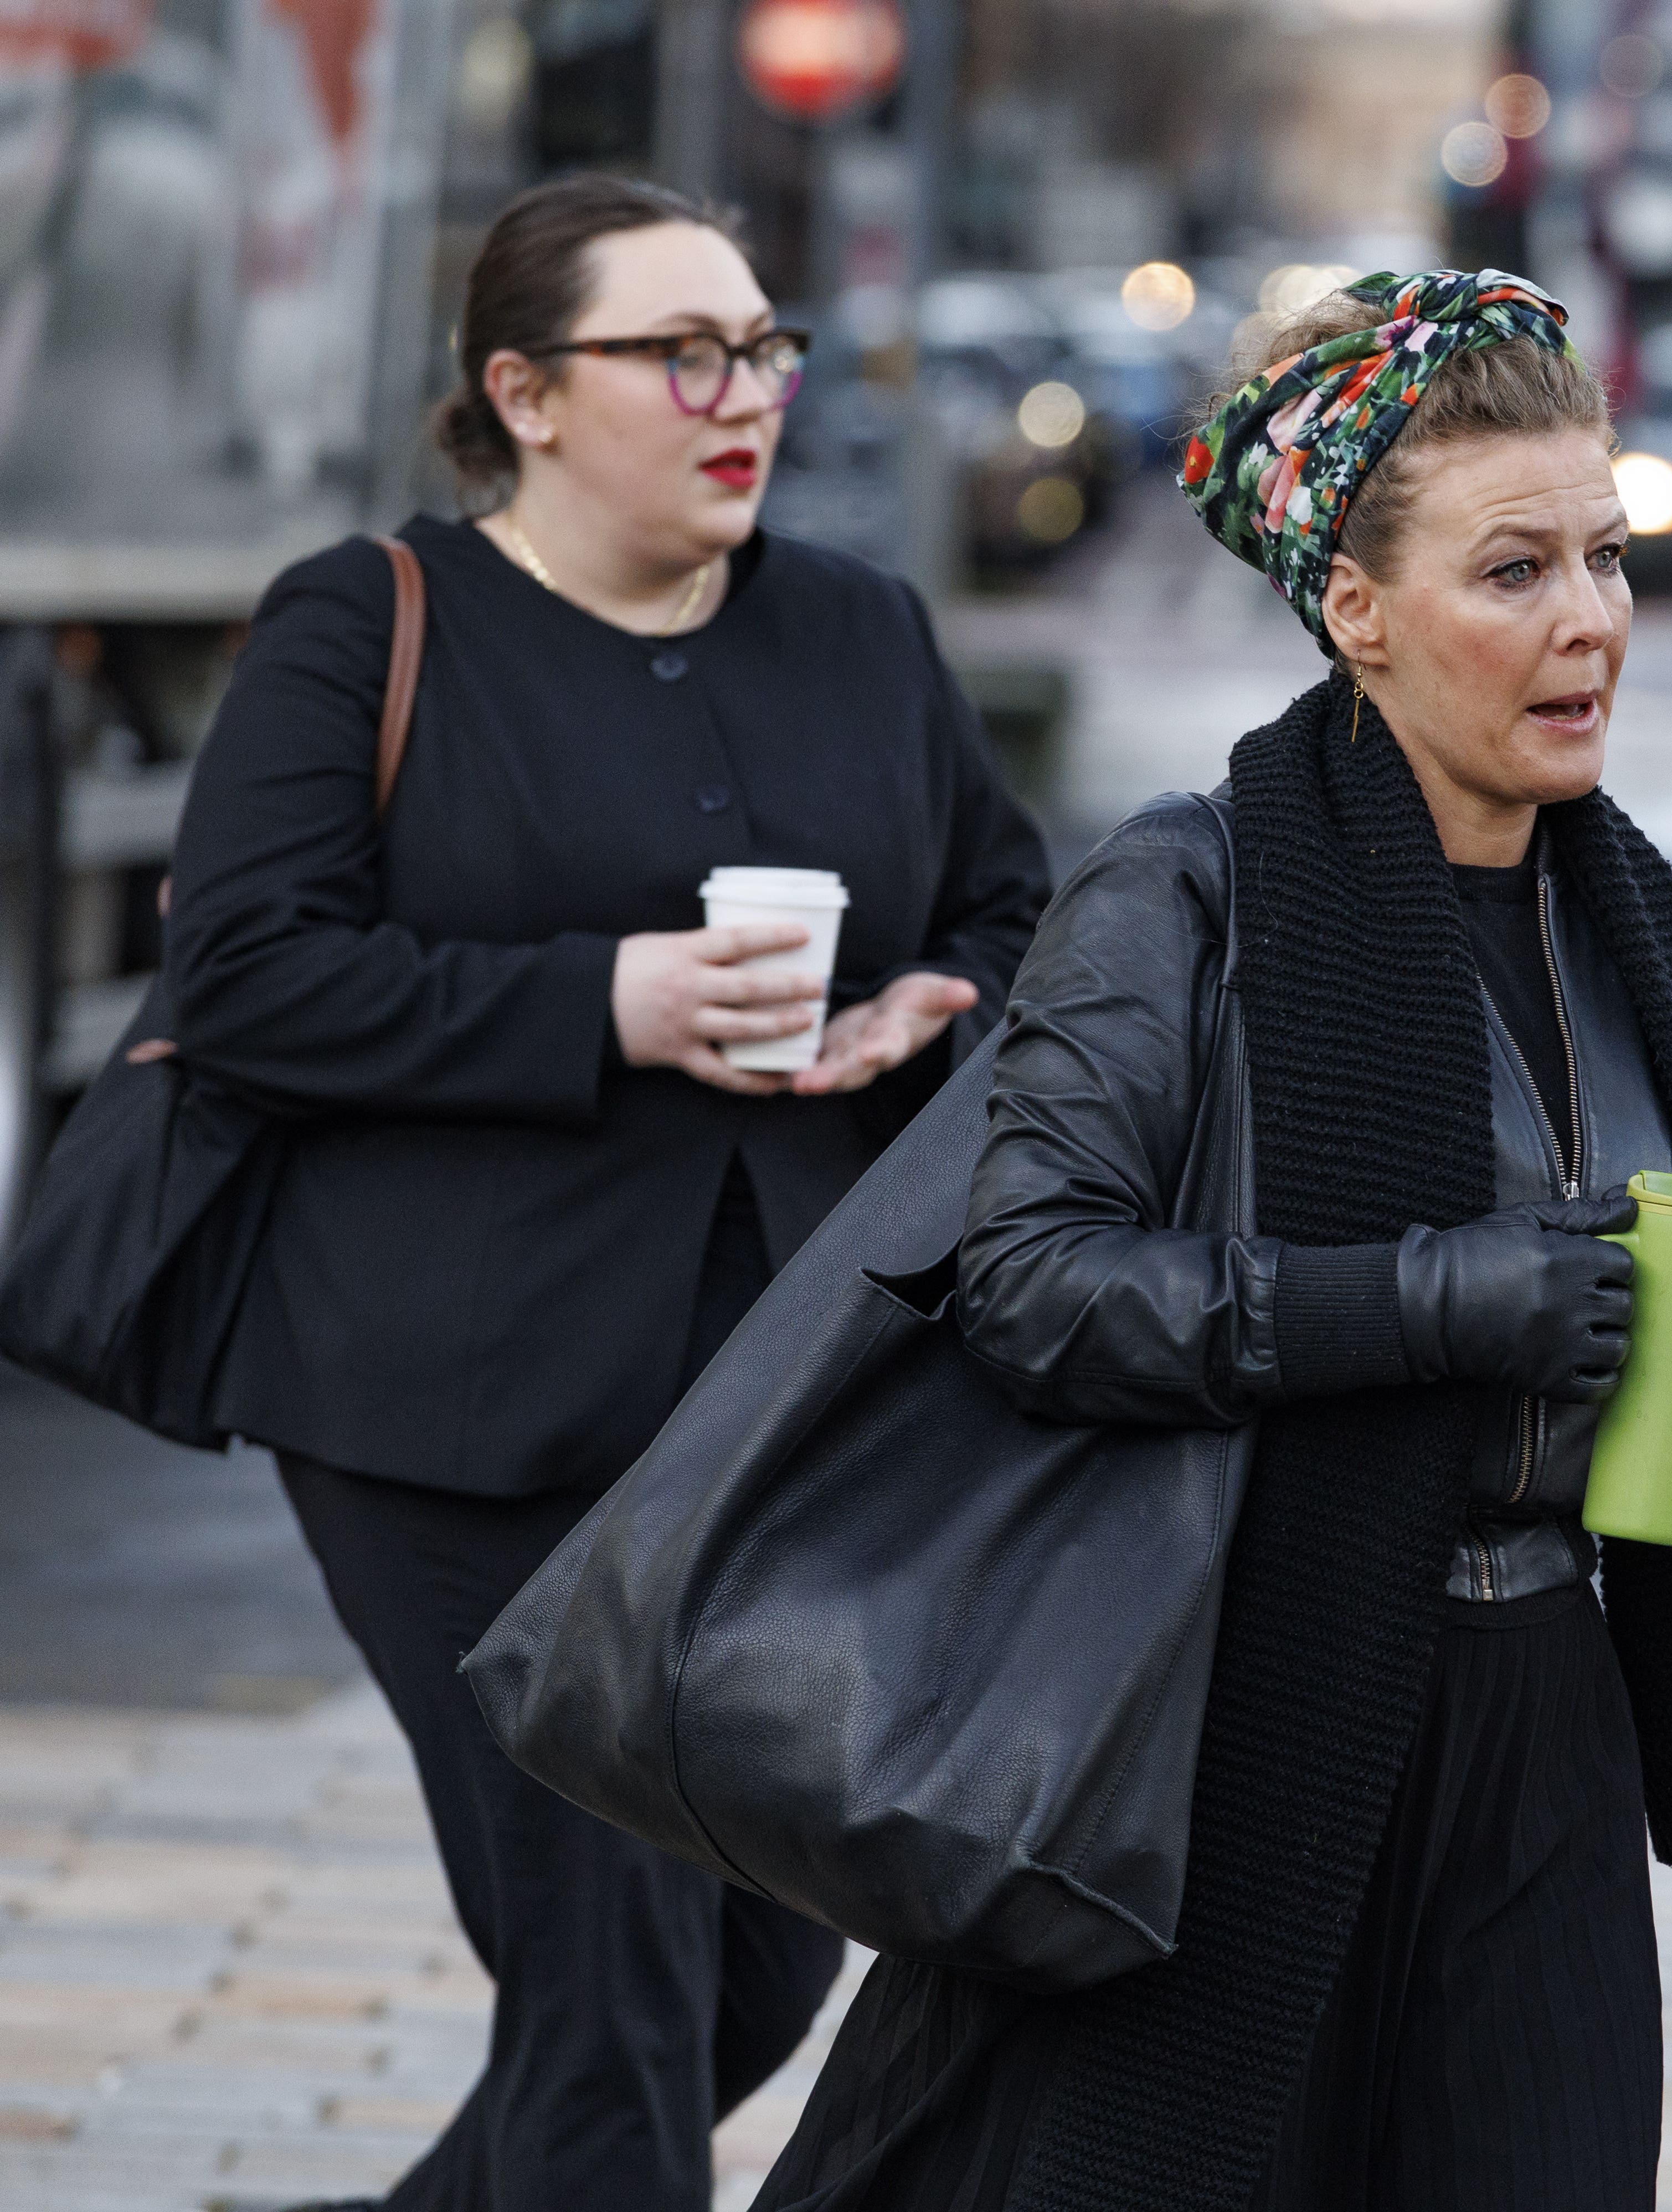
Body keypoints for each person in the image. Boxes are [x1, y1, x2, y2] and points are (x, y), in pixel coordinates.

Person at [752, 270, 1672, 2212]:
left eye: (1607, 554)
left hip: (1545, 1722)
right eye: (1513, 571)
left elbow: (1656, 1364)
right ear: (1356, 607)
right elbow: (1032, 1286)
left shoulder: (1637, 924)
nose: (1588, 619)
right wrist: (1430, 1299)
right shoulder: (1186, 885)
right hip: (1239, 1716)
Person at [161, 175, 1050, 2211]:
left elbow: (1014, 901)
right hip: (448, 1416)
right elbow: (242, 972)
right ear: (526, 393)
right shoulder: (368, 621)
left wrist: (941, 997)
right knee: (619, 1977)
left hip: (781, 1419)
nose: (745, 394)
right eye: (684, 353)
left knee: (751, 1964)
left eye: (763, 346)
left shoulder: (858, 626)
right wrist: (613, 1000)